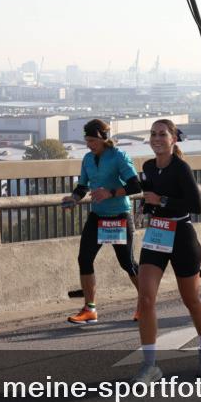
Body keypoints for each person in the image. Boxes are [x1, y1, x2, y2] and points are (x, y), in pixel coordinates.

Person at [133, 119, 201, 383]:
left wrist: (163, 200)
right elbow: (150, 196)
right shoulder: (147, 167)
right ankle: (151, 366)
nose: (156, 138)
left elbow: (195, 205)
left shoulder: (182, 168)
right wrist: (146, 207)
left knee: (190, 299)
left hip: (181, 236)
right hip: (157, 234)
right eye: (153, 134)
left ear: (173, 139)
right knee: (145, 299)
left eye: (162, 134)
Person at [61, 119, 141, 324]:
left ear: (104, 139)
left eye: (92, 141)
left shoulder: (119, 156)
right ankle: (90, 309)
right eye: (87, 141)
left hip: (119, 215)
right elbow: (82, 187)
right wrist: (73, 199)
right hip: (98, 216)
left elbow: (135, 186)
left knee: (127, 263)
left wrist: (110, 193)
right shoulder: (87, 158)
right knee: (84, 259)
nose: (89, 145)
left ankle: (146, 302)